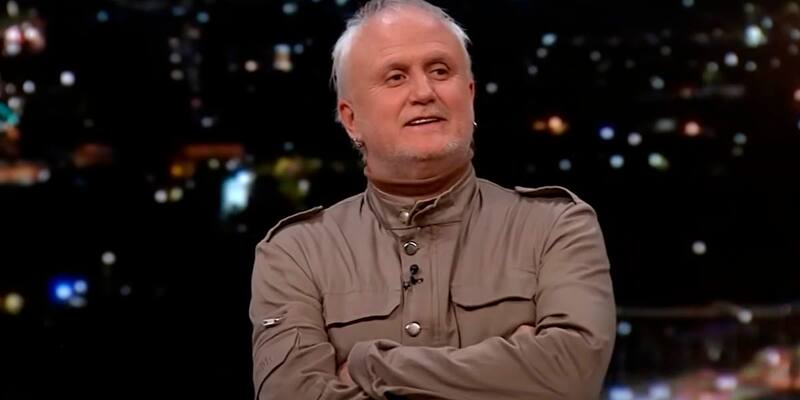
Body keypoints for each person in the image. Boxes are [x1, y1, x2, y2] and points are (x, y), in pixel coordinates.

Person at [249, 0, 616, 398]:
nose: (424, 92)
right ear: (351, 119)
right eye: (395, 77)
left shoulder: (556, 226)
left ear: (470, 95)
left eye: (440, 71)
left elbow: (570, 375)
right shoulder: (295, 253)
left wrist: (369, 365)